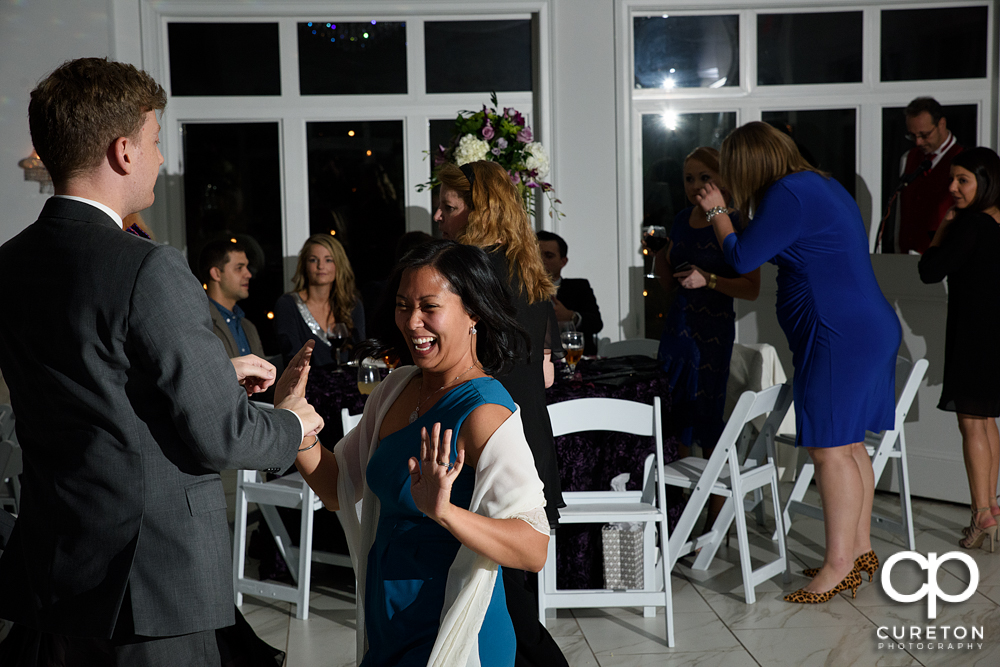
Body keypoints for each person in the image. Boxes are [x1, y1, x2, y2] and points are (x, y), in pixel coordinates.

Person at [0, 57, 323, 666]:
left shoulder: (11, 263)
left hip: (54, 558)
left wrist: (211, 375)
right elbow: (220, 435)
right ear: (123, 151)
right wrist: (292, 425)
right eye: (154, 142)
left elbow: (86, 382)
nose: (160, 159)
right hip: (150, 574)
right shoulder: (148, 265)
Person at [295, 240, 548, 666]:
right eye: (402, 306)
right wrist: (296, 427)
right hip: (388, 621)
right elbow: (338, 488)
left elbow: (534, 547)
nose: (412, 323)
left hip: (454, 627)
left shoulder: (486, 412)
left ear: (473, 313)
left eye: (429, 307)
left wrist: (446, 512)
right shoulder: (395, 387)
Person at [700, 122, 901, 603]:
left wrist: (718, 212)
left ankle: (838, 567)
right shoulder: (817, 184)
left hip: (839, 334)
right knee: (849, 446)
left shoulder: (789, 193)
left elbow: (743, 253)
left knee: (830, 450)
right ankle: (858, 553)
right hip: (860, 327)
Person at [436, 161, 569, 667]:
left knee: (507, 610)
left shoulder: (468, 270)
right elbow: (546, 371)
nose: (439, 216)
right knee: (513, 599)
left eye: (449, 207)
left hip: (490, 436)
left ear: (479, 209)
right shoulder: (527, 265)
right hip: (528, 433)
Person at [650, 147, 760, 530]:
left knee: (707, 417)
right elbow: (668, 284)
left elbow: (751, 288)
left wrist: (709, 279)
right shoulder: (680, 220)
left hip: (711, 332)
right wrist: (658, 259)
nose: (695, 186)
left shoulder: (735, 222)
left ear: (723, 180)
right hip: (677, 327)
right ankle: (678, 512)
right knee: (676, 413)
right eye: (689, 178)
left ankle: (715, 516)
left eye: (704, 177)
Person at [918, 147, 1000, 551]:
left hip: (974, 334)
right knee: (985, 421)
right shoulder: (999, 220)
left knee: (971, 423)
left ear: (985, 183)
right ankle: (992, 509)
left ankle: (981, 512)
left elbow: (929, 271)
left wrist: (940, 230)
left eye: (962, 180)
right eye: (952, 179)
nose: (952, 187)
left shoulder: (970, 225)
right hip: (994, 333)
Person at [273, 234, 365, 368]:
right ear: (304, 265)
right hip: (305, 386)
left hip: (349, 385)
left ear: (339, 264)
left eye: (328, 260)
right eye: (313, 260)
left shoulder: (352, 305)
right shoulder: (287, 305)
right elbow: (292, 359)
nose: (320, 266)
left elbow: (360, 356)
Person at [897, 97, 963, 254]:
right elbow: (902, 211)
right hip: (907, 258)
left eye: (924, 135)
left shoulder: (963, 160)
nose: (918, 142)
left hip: (944, 259)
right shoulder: (908, 158)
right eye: (912, 136)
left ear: (941, 124)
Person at [536, 230, 603, 356]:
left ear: (563, 261)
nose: (540, 261)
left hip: (575, 360)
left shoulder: (578, 287)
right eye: (536, 255)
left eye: (548, 256)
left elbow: (596, 323)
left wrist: (571, 317)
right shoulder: (518, 290)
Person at [200, 238, 265, 358]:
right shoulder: (201, 323)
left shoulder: (248, 327)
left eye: (247, 267)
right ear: (216, 274)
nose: (248, 274)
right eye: (239, 268)